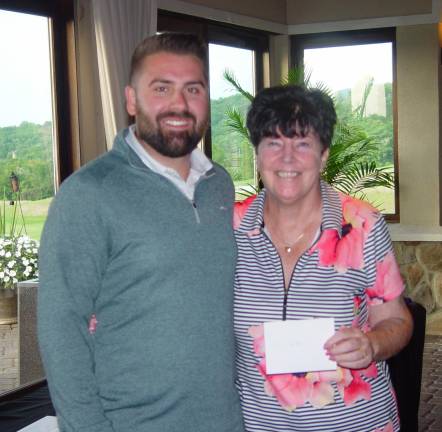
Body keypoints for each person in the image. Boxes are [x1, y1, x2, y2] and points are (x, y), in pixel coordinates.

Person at [37, 32, 244, 432]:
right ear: (131, 100)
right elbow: (61, 328)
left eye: (193, 89)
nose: (179, 104)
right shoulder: (89, 193)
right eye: (161, 88)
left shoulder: (220, 184)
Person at [233, 85, 413, 432]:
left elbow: (399, 321)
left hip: (355, 423)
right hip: (260, 425)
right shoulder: (230, 230)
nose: (288, 158)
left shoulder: (362, 225)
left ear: (324, 154)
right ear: (257, 154)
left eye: (303, 144)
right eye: (273, 143)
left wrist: (373, 343)